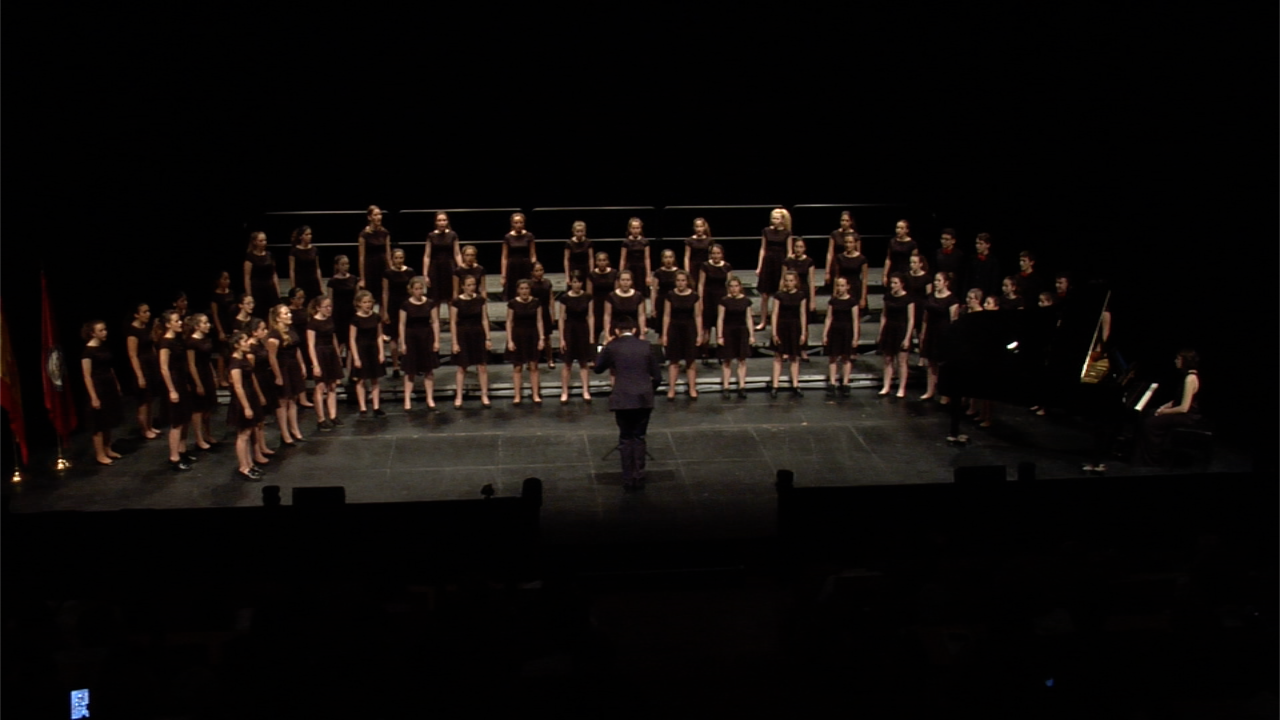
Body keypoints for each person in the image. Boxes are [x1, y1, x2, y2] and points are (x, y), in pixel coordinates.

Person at [593, 315, 662, 489]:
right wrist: (648, 390)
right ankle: (639, 476)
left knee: (625, 437)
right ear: (634, 330)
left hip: (622, 397)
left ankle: (627, 479)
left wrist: (604, 348)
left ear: (616, 331)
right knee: (639, 437)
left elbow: (598, 368)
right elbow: (658, 377)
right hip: (643, 397)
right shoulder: (646, 346)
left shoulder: (612, 346)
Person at [1137, 349, 1202, 466]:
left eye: (1178, 359)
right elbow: (1178, 399)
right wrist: (1163, 407)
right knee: (1149, 413)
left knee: (1150, 423)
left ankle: (1152, 459)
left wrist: (1164, 412)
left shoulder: (1190, 379)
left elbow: (1184, 408)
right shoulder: (1187, 376)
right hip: (1181, 412)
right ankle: (1142, 455)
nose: (1175, 361)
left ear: (1185, 361)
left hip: (1187, 416)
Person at [156, 310, 196, 471]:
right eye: (176, 321)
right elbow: (164, 368)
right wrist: (172, 390)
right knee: (177, 422)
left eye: (180, 320)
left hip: (181, 381)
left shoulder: (178, 340)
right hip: (173, 383)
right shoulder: (165, 343)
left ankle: (182, 450)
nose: (180, 323)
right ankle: (174, 457)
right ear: (168, 324)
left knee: (185, 419)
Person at [81, 320, 124, 465]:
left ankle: (107, 448)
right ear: (92, 333)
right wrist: (94, 397)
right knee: (99, 423)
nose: (105, 332)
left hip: (109, 386)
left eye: (105, 329)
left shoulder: (103, 347)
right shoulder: (88, 352)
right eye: (101, 330)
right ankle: (99, 454)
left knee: (108, 420)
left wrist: (116, 384)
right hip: (97, 387)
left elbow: (110, 368)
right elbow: (87, 376)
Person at [227, 331, 265, 481]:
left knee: (248, 433)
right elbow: (238, 387)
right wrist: (246, 407)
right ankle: (243, 467)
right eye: (244, 341)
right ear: (237, 345)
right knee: (243, 435)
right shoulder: (235, 363)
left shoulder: (243, 358)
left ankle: (249, 463)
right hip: (242, 400)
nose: (247, 343)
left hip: (250, 396)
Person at [450, 274, 492, 409]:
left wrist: (488, 338)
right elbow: (453, 322)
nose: (472, 287)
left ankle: (484, 395)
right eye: (469, 285)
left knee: (482, 366)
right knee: (462, 367)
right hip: (463, 335)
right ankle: (459, 396)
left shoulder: (480, 300)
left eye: (473, 284)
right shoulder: (456, 301)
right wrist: (454, 342)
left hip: (478, 334)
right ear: (463, 286)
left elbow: (484, 319)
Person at [266, 304, 306, 445]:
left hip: (293, 367)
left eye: (289, 312)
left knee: (293, 399)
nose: (289, 315)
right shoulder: (274, 335)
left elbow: (297, 349)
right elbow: (272, 358)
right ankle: (285, 433)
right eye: (285, 313)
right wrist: (278, 376)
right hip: (283, 368)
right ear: (277, 318)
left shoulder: (291, 330)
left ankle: (294, 429)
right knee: (283, 402)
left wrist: (302, 365)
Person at [399, 278, 440, 411]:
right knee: (410, 370)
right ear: (411, 290)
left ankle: (430, 398)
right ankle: (407, 399)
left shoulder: (430, 303)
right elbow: (402, 324)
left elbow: (435, 322)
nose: (419, 291)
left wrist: (436, 340)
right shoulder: (406, 305)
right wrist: (403, 343)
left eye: (421, 288)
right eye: (416, 289)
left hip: (426, 337)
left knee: (428, 369)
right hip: (411, 338)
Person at [920, 272, 961, 401]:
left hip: (944, 333)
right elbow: (925, 317)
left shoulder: (952, 299)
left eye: (938, 280)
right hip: (931, 332)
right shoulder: (931, 296)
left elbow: (953, 320)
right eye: (935, 280)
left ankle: (945, 393)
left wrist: (952, 338)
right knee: (931, 363)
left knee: (943, 364)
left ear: (946, 283)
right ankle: (930, 391)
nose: (935, 283)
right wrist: (923, 333)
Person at [662, 270, 702, 399]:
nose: (680, 283)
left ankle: (692, 388)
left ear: (687, 282)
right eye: (678, 280)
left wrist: (699, 334)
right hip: (674, 328)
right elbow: (666, 316)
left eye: (683, 280)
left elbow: (698, 316)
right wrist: (664, 334)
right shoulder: (670, 295)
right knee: (674, 360)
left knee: (690, 360)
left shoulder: (694, 296)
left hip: (689, 329)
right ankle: (671, 389)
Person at [306, 295, 345, 431]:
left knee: (332, 386)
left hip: (331, 353)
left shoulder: (329, 320)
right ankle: (321, 419)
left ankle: (333, 416)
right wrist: (315, 364)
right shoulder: (312, 324)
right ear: (318, 308)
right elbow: (311, 345)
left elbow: (333, 338)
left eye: (330, 306)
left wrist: (338, 356)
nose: (329, 309)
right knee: (320, 387)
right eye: (326, 307)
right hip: (320, 354)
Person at [557, 271, 595, 403]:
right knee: (567, 363)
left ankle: (585, 390)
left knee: (583, 362)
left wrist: (591, 336)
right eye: (574, 282)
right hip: (570, 330)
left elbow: (590, 316)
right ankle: (564, 391)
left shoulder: (588, 297)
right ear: (570, 283)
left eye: (579, 282)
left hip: (582, 330)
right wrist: (561, 338)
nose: (577, 284)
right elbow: (561, 318)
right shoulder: (565, 298)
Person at [124, 302, 160, 439]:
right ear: (136, 315)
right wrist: (139, 376)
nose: (148, 314)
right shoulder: (132, 332)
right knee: (143, 401)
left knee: (150, 399)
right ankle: (144, 429)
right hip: (141, 367)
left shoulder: (146, 327)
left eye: (148, 311)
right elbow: (132, 355)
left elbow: (152, 345)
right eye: (144, 312)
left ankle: (150, 425)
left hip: (151, 365)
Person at [506, 279, 545, 405]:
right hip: (518, 336)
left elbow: (539, 321)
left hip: (532, 335)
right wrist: (510, 340)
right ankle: (517, 395)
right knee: (518, 367)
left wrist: (541, 338)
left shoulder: (536, 302)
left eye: (526, 288)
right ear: (518, 290)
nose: (524, 291)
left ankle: (535, 394)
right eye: (522, 289)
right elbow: (509, 322)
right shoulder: (513, 303)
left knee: (533, 366)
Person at [184, 314, 218, 451]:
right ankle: (199, 438)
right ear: (197, 326)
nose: (208, 325)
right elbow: (191, 365)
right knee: (198, 409)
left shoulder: (206, 339)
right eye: (205, 323)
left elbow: (208, 360)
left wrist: (214, 375)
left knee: (208, 408)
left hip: (207, 373)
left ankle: (207, 434)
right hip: (197, 376)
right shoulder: (191, 342)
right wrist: (197, 383)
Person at [770, 270, 807, 398]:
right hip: (782, 327)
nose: (788, 283)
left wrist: (803, 333)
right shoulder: (779, 295)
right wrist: (774, 333)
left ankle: (795, 385)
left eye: (791, 280)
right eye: (786, 280)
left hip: (795, 327)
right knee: (778, 356)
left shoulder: (801, 295)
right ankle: (775, 385)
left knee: (794, 357)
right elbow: (774, 314)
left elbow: (802, 314)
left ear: (796, 282)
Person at [878, 274, 915, 398]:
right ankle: (886, 386)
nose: (892, 285)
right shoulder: (888, 297)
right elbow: (884, 315)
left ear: (902, 284)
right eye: (891, 283)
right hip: (889, 329)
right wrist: (881, 332)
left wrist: (907, 337)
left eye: (895, 283)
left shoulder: (908, 299)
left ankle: (901, 388)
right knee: (888, 359)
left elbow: (911, 320)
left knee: (901, 361)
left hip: (901, 330)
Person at [350, 290, 386, 417]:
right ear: (359, 304)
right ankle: (363, 407)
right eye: (365, 302)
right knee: (361, 379)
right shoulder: (355, 319)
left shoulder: (376, 317)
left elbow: (379, 335)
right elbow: (352, 339)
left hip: (373, 349)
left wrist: (381, 352)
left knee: (375, 379)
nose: (368, 304)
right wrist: (356, 357)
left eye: (369, 302)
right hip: (361, 350)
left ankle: (376, 406)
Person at [823, 276, 859, 397]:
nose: (840, 288)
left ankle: (845, 383)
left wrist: (855, 337)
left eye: (842, 285)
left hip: (847, 331)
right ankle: (832, 382)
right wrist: (825, 334)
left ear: (847, 287)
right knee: (833, 357)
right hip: (834, 330)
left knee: (846, 358)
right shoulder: (833, 301)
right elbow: (829, 318)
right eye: (838, 285)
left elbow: (855, 321)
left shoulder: (852, 302)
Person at [756, 208, 792, 331]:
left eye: (776, 218)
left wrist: (787, 269)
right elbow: (762, 249)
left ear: (782, 220)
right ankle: (763, 321)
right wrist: (759, 266)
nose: (774, 220)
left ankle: (778, 321)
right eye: (773, 218)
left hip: (780, 264)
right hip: (768, 263)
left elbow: (789, 252)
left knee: (780, 293)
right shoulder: (766, 231)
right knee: (764, 295)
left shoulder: (787, 233)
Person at [718, 275, 754, 398]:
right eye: (731, 286)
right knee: (727, 360)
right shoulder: (724, 301)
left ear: (740, 287)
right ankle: (726, 387)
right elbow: (720, 319)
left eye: (736, 286)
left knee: (742, 360)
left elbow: (749, 318)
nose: (734, 289)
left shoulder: (746, 301)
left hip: (742, 332)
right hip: (728, 332)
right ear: (728, 288)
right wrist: (719, 336)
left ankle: (742, 386)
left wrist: (751, 335)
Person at [423, 212, 461, 325]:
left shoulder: (453, 235)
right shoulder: (431, 236)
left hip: (449, 268)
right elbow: (427, 256)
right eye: (439, 220)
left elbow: (457, 253)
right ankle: (436, 326)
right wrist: (425, 274)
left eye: (444, 220)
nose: (442, 223)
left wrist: (461, 270)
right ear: (436, 222)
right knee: (435, 299)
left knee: (451, 298)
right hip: (435, 269)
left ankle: (453, 325)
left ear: (447, 221)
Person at [382, 248, 414, 377]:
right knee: (394, 336)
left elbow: (413, 290)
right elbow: (385, 292)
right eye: (396, 258)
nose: (399, 260)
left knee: (408, 335)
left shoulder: (410, 272)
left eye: (401, 258)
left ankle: (410, 365)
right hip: (393, 306)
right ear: (392, 259)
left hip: (407, 305)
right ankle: (395, 366)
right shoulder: (388, 273)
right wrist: (385, 311)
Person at [699, 243, 732, 365]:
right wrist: (700, 300)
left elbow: (729, 284)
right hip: (708, 298)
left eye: (718, 253)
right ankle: (704, 352)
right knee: (706, 327)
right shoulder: (705, 266)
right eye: (713, 253)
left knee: (721, 326)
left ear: (722, 254)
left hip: (721, 299)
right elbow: (701, 284)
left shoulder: (727, 267)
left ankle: (721, 353)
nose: (716, 256)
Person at [784, 238, 817, 361]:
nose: (798, 249)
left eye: (801, 247)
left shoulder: (809, 261)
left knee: (803, 322)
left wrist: (812, 300)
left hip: (803, 292)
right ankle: (786, 350)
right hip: (789, 293)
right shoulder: (788, 261)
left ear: (804, 248)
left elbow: (811, 281)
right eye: (796, 247)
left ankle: (803, 349)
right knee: (787, 322)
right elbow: (783, 279)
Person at [210, 271, 237, 387]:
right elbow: (215, 314)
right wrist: (220, 331)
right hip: (222, 325)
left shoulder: (232, 293)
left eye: (228, 279)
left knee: (232, 352)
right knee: (222, 354)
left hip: (232, 324)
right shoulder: (215, 296)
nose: (227, 281)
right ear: (218, 281)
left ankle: (230, 376)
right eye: (224, 279)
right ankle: (221, 378)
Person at [243, 231, 279, 317]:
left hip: (270, 288)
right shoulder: (250, 257)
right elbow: (247, 277)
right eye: (261, 241)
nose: (264, 243)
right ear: (255, 242)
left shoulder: (269, 255)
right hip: (257, 290)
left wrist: (277, 290)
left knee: (272, 313)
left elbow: (274, 274)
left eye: (265, 240)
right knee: (259, 312)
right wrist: (249, 295)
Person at [501, 212, 535, 301]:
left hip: (526, 266)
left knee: (527, 288)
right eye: (516, 223)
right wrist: (503, 275)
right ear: (512, 224)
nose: (518, 225)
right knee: (513, 290)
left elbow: (533, 254)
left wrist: (533, 269)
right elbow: (504, 257)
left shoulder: (529, 236)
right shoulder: (508, 237)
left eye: (521, 222)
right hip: (513, 267)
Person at [832, 232, 869, 311]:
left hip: (856, 288)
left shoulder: (861, 259)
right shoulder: (839, 257)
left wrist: (863, 297)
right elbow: (836, 276)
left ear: (855, 243)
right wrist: (835, 292)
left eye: (850, 242)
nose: (848, 245)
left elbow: (864, 279)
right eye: (846, 242)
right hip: (843, 288)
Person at [588, 251, 618, 344]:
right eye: (599, 260)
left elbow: (616, 292)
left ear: (607, 261)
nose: (602, 262)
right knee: (596, 330)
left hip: (610, 305)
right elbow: (589, 295)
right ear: (596, 262)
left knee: (612, 330)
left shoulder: (614, 273)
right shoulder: (592, 275)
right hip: (597, 306)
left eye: (604, 260)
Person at [605, 270, 646, 338]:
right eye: (623, 280)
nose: (625, 282)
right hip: (615, 330)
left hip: (634, 330)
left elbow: (641, 315)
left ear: (632, 281)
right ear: (618, 281)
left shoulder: (638, 296)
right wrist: (607, 334)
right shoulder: (611, 296)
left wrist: (642, 334)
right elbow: (607, 316)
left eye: (628, 280)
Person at [358, 205, 391, 290]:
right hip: (370, 268)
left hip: (382, 266)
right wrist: (362, 278)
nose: (379, 217)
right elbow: (361, 257)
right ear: (369, 217)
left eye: (380, 214)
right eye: (375, 215)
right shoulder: (364, 235)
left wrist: (391, 271)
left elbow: (388, 254)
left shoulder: (385, 233)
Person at [620, 217, 652, 306]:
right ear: (630, 229)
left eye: (637, 228)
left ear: (640, 229)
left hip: (641, 270)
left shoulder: (645, 242)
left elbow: (647, 258)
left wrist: (648, 275)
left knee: (641, 292)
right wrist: (621, 274)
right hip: (630, 269)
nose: (635, 230)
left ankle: (642, 310)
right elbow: (623, 259)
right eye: (633, 228)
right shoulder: (626, 242)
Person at [529, 262, 555, 369]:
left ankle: (550, 359)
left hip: (545, 311)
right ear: (532, 272)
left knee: (547, 337)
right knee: (532, 337)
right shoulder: (529, 284)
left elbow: (551, 299)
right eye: (536, 270)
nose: (539, 272)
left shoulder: (547, 283)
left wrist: (553, 313)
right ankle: (532, 360)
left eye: (541, 270)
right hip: (533, 312)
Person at [826, 211, 859, 291]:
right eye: (842, 220)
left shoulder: (855, 235)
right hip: (837, 265)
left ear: (851, 222)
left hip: (849, 266)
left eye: (847, 221)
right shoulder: (835, 234)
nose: (844, 223)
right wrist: (827, 271)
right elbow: (830, 253)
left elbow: (858, 255)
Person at [652, 249, 681, 337]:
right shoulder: (658, 272)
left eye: (670, 257)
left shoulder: (678, 272)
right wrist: (653, 307)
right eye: (666, 257)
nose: (668, 260)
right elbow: (654, 290)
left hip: (675, 302)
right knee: (661, 330)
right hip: (662, 301)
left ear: (674, 259)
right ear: (662, 259)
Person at [882, 220, 918, 290]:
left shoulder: (912, 244)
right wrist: (885, 275)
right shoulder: (892, 242)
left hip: (906, 272)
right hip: (893, 270)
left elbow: (914, 261)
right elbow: (888, 259)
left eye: (901, 228)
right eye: (897, 228)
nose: (898, 230)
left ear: (907, 230)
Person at [290, 225, 323, 300]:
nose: (309, 236)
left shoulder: (314, 250)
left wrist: (320, 285)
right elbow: (292, 270)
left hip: (313, 282)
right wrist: (293, 286)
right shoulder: (294, 251)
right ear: (301, 236)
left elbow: (317, 268)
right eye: (307, 234)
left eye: (310, 234)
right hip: (301, 282)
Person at [968, 232, 1002, 300]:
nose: (977, 246)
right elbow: (967, 279)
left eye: (981, 244)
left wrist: (990, 297)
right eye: (977, 243)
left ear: (988, 245)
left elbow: (994, 282)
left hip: (986, 295)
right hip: (972, 295)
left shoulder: (993, 261)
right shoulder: (972, 259)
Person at [684, 217, 713, 291]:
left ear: (704, 227)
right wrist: (687, 271)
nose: (699, 229)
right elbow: (687, 257)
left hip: (705, 267)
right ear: (694, 228)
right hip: (693, 267)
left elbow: (710, 256)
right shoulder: (689, 241)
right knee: (693, 287)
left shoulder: (709, 240)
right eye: (697, 227)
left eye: (701, 226)